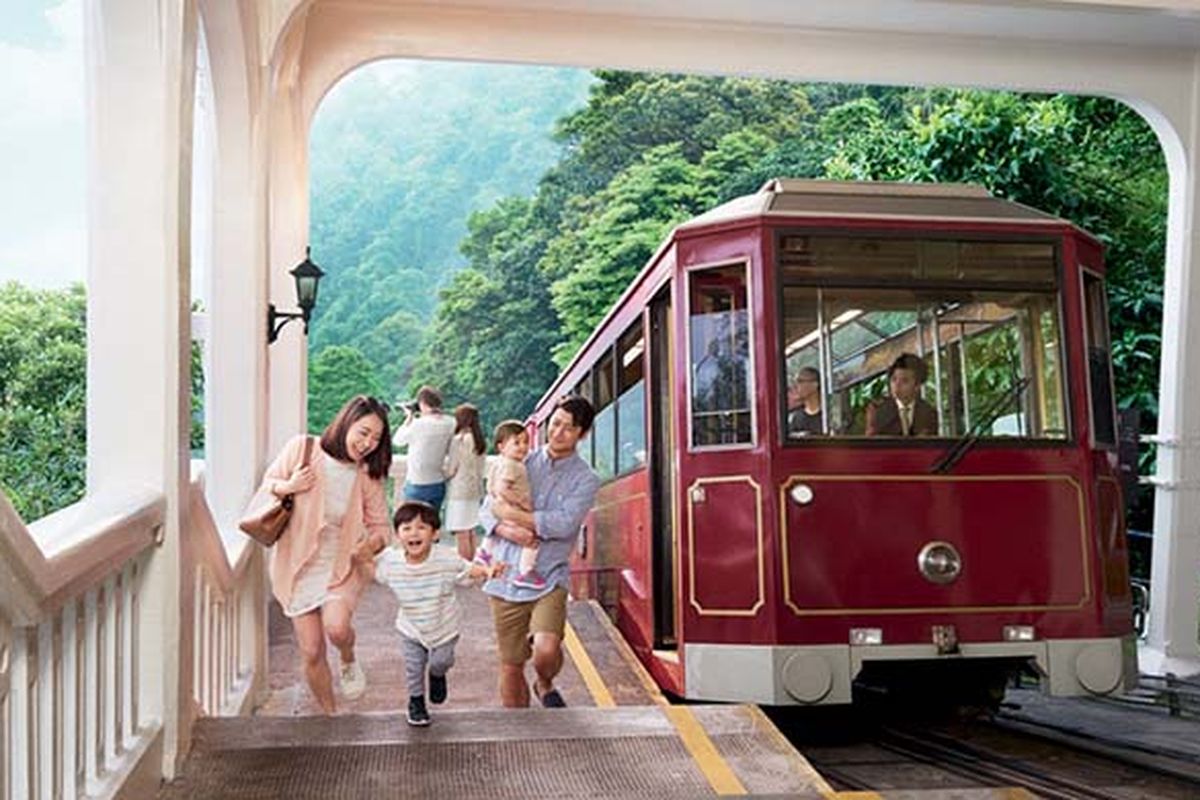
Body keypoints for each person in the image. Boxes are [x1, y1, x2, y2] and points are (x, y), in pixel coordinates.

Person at [256, 395, 392, 713]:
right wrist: (289, 486)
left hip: (341, 565)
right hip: (298, 566)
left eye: (376, 438)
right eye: (364, 432)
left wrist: (369, 546)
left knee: (337, 628)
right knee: (312, 651)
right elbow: (268, 484)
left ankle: (347, 657)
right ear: (346, 422)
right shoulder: (303, 449)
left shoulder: (367, 474)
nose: (368, 443)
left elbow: (382, 528)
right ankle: (331, 716)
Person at [479, 395, 600, 709]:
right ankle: (520, 729)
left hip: (549, 575)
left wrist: (513, 515)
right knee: (511, 664)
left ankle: (544, 681)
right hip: (506, 574)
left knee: (546, 650)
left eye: (568, 428)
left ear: (582, 434)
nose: (558, 433)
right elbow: (486, 508)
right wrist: (507, 529)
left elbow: (564, 523)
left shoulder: (586, 479)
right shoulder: (520, 460)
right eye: (555, 424)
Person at [373, 501, 503, 726]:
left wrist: (487, 570)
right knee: (413, 668)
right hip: (411, 628)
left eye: (421, 527)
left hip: (444, 627)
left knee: (441, 661)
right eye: (406, 528)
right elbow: (367, 566)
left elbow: (467, 569)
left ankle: (437, 675)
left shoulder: (445, 558)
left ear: (435, 534)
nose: (414, 533)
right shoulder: (390, 562)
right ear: (397, 535)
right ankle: (416, 703)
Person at [475, 420, 543, 590]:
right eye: (517, 443)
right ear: (501, 447)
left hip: (500, 508)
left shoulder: (498, 463)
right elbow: (502, 489)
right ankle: (526, 571)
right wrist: (522, 503)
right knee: (532, 540)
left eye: (526, 442)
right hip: (512, 510)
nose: (523, 447)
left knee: (498, 535)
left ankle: (485, 552)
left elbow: (491, 489)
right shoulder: (514, 465)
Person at [393, 385, 456, 510]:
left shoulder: (418, 424)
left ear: (422, 403)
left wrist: (409, 418)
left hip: (417, 482)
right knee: (432, 520)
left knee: (413, 519)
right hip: (437, 482)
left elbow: (397, 441)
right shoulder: (451, 422)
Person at [444, 403, 487, 561]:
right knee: (470, 531)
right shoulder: (480, 441)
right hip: (475, 491)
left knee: (461, 532)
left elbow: (452, 469)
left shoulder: (459, 440)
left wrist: (440, 472)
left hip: (459, 491)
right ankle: (472, 565)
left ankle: (465, 568)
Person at [865, 353, 939, 437]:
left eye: (904, 381)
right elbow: (872, 440)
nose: (897, 385)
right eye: (894, 379)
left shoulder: (928, 413)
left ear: (917, 385)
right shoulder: (878, 409)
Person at [786, 366, 823, 437]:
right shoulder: (795, 417)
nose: (795, 386)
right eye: (795, 382)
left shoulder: (829, 413)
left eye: (800, 381)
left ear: (815, 384)